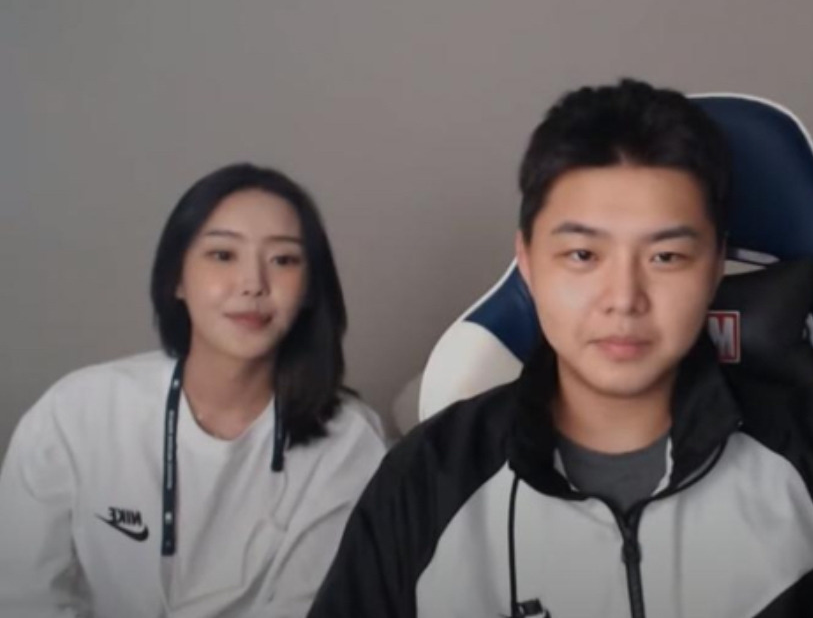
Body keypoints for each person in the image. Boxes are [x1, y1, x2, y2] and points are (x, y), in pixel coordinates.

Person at [308, 80, 813, 617]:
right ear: (527, 263)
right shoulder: (425, 481)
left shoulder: (799, 459)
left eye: (665, 257)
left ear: (714, 269)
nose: (624, 299)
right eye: (582, 255)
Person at [0, 163, 386, 618]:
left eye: (283, 260)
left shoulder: (350, 442)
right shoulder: (76, 413)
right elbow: (20, 593)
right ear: (177, 279)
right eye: (223, 255)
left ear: (309, 290)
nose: (253, 284)